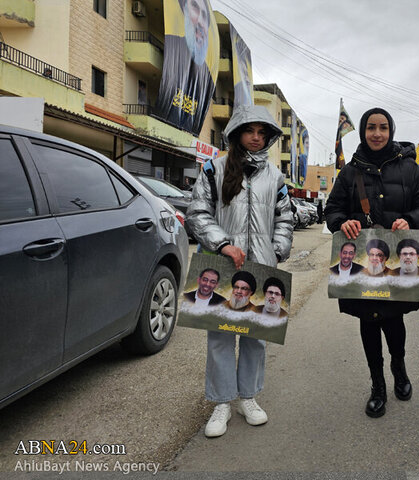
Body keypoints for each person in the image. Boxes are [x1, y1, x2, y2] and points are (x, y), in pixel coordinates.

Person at [186, 104, 293, 438]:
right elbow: (197, 213)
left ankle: (248, 396)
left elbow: (285, 218)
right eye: (250, 131)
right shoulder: (213, 169)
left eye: (263, 133)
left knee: (255, 336)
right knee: (220, 334)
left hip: (262, 265)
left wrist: (276, 251)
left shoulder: (275, 176)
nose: (257, 138)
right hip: (220, 264)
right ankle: (221, 402)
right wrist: (222, 244)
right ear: (236, 133)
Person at [324, 107, 419, 418]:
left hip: (397, 260)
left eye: (383, 128)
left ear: (391, 131)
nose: (376, 133)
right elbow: (332, 210)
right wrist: (341, 223)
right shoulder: (349, 171)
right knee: (369, 322)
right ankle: (377, 386)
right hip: (362, 261)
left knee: (393, 319)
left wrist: (409, 219)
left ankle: (399, 369)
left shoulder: (411, 170)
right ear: (363, 131)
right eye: (371, 127)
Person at [155, 0, 215, 134]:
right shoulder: (172, 46)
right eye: (195, 7)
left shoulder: (208, 78)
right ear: (184, 11)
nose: (200, 20)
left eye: (205, 16)